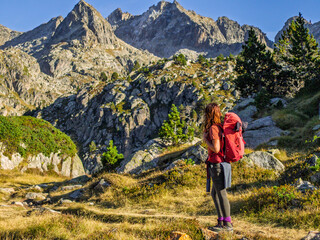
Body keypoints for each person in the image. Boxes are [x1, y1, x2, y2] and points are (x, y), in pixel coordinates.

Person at [203, 103, 233, 232]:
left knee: (221, 193)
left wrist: (206, 141)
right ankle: (220, 221)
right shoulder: (220, 127)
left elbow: (216, 148)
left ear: (209, 114)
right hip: (220, 164)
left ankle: (228, 225)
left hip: (217, 165)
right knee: (215, 193)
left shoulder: (214, 128)